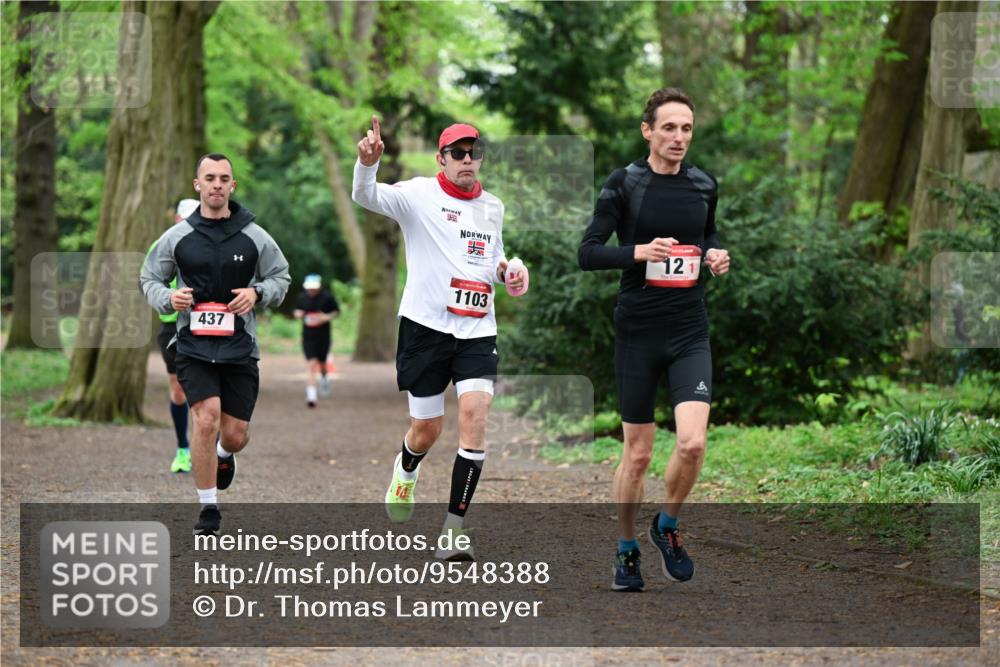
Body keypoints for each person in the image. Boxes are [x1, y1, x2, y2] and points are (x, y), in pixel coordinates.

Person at [352, 117, 528, 561]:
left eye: (474, 152)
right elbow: (365, 195)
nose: (468, 160)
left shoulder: (493, 206)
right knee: (427, 429)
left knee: (474, 417)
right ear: (442, 159)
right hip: (425, 328)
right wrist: (366, 164)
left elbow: (493, 257)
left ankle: (454, 530)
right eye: (458, 153)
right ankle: (407, 467)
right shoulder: (416, 195)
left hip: (477, 329)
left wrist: (509, 270)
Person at [578, 88, 731, 592]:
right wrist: (639, 251)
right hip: (638, 331)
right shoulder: (625, 184)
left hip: (689, 328)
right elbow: (589, 252)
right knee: (638, 453)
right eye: (669, 127)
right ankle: (626, 549)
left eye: (686, 128)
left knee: (692, 443)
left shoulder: (705, 185)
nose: (679, 137)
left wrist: (713, 255)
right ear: (648, 131)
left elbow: (705, 235)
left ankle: (666, 526)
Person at [140, 153, 290, 536]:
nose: (217, 184)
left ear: (232, 186)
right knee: (206, 419)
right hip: (193, 346)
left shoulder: (255, 235)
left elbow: (281, 277)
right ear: (198, 185)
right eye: (210, 178)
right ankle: (208, 509)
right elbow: (149, 279)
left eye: (224, 178)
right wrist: (167, 299)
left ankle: (225, 455)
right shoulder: (177, 237)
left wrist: (257, 293)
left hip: (239, 348)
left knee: (235, 434)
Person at [150, 198, 199, 473]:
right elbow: (148, 282)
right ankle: (183, 449)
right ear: (177, 219)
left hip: (207, 325)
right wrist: (170, 296)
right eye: (187, 218)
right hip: (173, 326)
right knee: (179, 390)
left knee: (209, 392)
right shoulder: (161, 246)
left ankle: (212, 451)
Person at [293, 274, 341, 407]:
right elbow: (297, 311)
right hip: (308, 336)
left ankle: (324, 378)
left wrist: (326, 317)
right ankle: (311, 395)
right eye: (309, 288)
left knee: (322, 364)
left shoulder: (327, 297)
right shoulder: (302, 297)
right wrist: (298, 314)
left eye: (314, 288)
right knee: (311, 364)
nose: (311, 291)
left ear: (319, 287)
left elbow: (336, 311)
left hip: (323, 336)